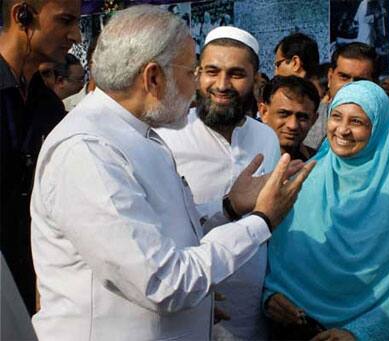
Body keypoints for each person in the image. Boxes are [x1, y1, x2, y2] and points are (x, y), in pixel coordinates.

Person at [30, 7, 315, 340]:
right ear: (153, 77)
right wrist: (261, 220)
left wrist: (228, 208)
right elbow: (163, 283)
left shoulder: (140, 135)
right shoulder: (89, 150)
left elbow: (161, 235)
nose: (198, 84)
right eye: (192, 71)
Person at [264, 81, 389, 340]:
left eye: (357, 122)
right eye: (336, 117)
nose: (342, 130)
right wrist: (270, 296)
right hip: (295, 331)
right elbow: (268, 251)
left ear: (377, 130)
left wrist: (359, 333)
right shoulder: (302, 181)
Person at [156, 25, 282, 341]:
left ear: (257, 80)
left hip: (252, 311)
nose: (222, 85)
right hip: (186, 307)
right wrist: (227, 207)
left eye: (236, 74)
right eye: (212, 71)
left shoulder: (265, 136)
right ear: (198, 74)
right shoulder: (167, 135)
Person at [0, 0, 81, 314]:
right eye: (65, 21)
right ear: (22, 15)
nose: (75, 34)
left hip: (38, 288)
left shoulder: (48, 105)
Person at [303, 42, 378, 150]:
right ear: (330, 77)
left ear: (374, 84)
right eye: (344, 77)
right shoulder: (305, 120)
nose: (349, 86)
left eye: (360, 80)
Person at [260, 76, 320, 161]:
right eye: (284, 114)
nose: (293, 125)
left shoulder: (320, 164)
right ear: (264, 112)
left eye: (302, 117)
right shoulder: (240, 157)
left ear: (313, 120)